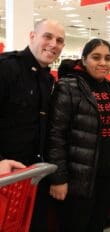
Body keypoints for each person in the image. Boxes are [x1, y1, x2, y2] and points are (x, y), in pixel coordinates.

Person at [45, 38, 110, 232]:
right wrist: (58, 178)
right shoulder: (69, 86)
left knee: (97, 225)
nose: (103, 63)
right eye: (96, 57)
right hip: (78, 179)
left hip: (107, 176)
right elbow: (56, 135)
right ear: (84, 59)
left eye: (107, 58)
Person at [0, 19, 65, 231]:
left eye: (59, 40)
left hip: (34, 178)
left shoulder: (48, 79)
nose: (53, 44)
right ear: (32, 36)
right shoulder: (6, 68)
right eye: (48, 36)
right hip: (6, 177)